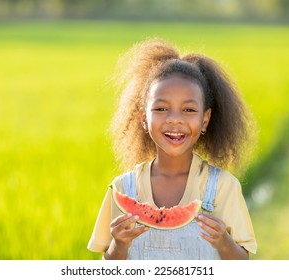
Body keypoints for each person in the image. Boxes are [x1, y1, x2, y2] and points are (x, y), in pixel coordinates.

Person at [87, 38, 257, 260]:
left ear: (205, 120)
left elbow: (243, 263)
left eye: (188, 109)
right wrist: (118, 245)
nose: (175, 119)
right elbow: (108, 265)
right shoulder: (123, 189)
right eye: (161, 108)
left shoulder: (223, 188)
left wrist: (224, 243)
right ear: (144, 118)